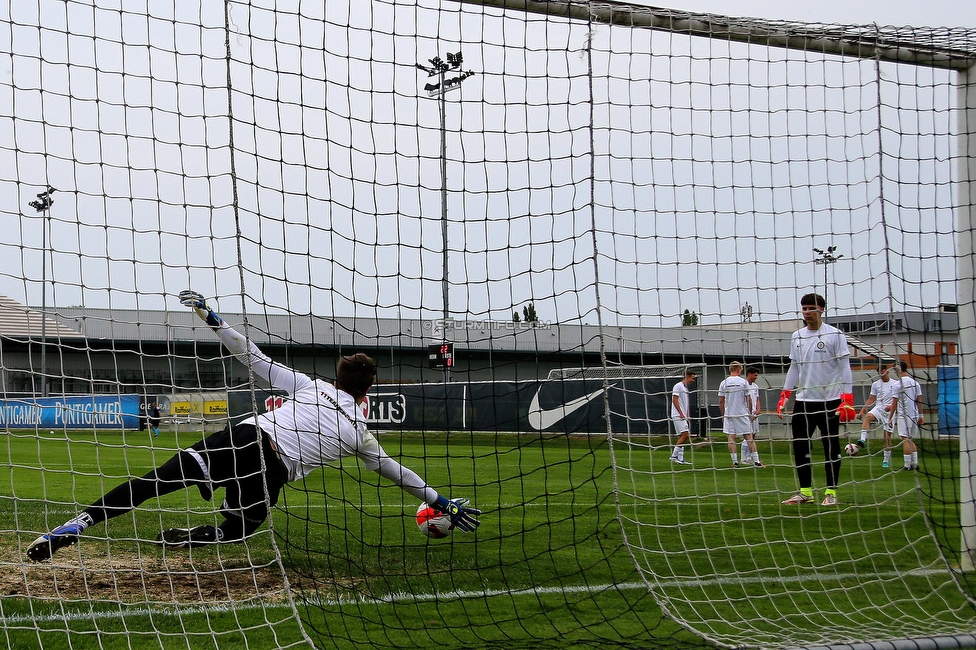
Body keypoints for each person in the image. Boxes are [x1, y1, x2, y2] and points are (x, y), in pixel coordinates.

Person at [26, 290, 481, 562]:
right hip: (270, 467)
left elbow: (252, 357)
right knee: (244, 528)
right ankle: (198, 537)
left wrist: (213, 319)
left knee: (150, 483)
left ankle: (72, 527)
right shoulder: (361, 434)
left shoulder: (308, 384)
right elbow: (398, 473)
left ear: (338, 378)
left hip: (243, 436)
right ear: (367, 393)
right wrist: (442, 501)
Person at [776, 293, 855, 506]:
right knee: (800, 446)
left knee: (831, 446)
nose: (807, 313)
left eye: (811, 308)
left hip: (829, 401)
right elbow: (794, 367)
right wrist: (785, 394)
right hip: (804, 401)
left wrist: (847, 397)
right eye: (804, 309)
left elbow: (844, 366)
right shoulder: (797, 336)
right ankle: (805, 492)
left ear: (821, 309)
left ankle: (831, 493)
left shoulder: (835, 335)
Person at [854, 365, 896, 468]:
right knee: (868, 417)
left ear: (887, 371)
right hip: (879, 408)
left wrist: (891, 407)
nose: (882, 374)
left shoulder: (895, 384)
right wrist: (862, 411)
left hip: (889, 412)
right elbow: (871, 399)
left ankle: (886, 461)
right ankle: (862, 440)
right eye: (880, 373)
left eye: (883, 372)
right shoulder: (876, 384)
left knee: (886, 437)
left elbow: (899, 400)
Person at [889, 360, 924, 471]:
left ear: (898, 370)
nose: (894, 372)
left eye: (895, 370)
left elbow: (894, 403)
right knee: (910, 439)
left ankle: (907, 465)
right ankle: (916, 463)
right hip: (914, 414)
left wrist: (890, 418)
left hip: (903, 415)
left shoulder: (897, 384)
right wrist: (921, 415)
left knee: (905, 439)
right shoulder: (915, 383)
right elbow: (919, 400)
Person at [718, 361, 753, 468]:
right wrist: (750, 413)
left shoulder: (724, 382)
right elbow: (749, 399)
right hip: (742, 413)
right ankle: (756, 461)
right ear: (738, 370)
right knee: (748, 436)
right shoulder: (743, 382)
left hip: (729, 413)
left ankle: (735, 462)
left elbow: (721, 401)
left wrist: (723, 414)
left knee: (731, 437)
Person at [669, 369, 697, 465]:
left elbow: (684, 403)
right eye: (693, 378)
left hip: (682, 415)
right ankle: (674, 456)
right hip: (677, 415)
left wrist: (687, 414)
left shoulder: (685, 388)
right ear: (688, 376)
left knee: (681, 436)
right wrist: (681, 413)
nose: (693, 380)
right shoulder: (678, 386)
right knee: (686, 435)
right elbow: (675, 400)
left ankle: (680, 458)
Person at [740, 366, 764, 468]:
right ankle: (744, 458)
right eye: (755, 375)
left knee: (753, 435)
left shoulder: (755, 386)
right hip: (746, 414)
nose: (756, 377)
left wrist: (758, 410)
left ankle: (749, 457)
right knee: (747, 436)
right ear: (749, 374)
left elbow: (757, 399)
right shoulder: (743, 385)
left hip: (754, 414)